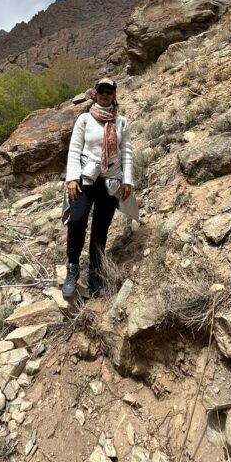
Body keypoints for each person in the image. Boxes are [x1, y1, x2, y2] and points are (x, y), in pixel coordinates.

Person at [62, 77, 135, 298]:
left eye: (109, 91)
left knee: (101, 228)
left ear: (114, 94)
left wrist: (128, 180)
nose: (105, 95)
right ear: (95, 94)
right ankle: (73, 267)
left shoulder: (121, 122)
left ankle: (95, 272)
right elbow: (75, 150)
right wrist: (72, 178)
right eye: (101, 91)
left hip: (111, 180)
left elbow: (127, 153)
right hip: (86, 179)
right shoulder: (84, 120)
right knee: (77, 220)